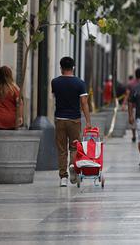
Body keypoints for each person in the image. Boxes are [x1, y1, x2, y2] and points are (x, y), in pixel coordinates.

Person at [51, 57, 91, 187]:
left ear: (61, 67)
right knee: (74, 147)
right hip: (74, 120)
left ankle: (63, 177)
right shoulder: (80, 83)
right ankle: (73, 165)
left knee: (62, 149)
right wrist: (88, 121)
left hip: (60, 120)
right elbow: (84, 103)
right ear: (73, 67)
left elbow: (54, 99)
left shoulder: (55, 82)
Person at [0, 66, 23, 130]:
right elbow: (19, 103)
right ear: (10, 76)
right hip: (11, 120)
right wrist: (20, 117)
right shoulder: (14, 89)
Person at [125, 69, 140, 142]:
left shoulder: (131, 83)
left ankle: (134, 135)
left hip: (133, 106)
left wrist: (124, 104)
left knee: (133, 121)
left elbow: (127, 94)